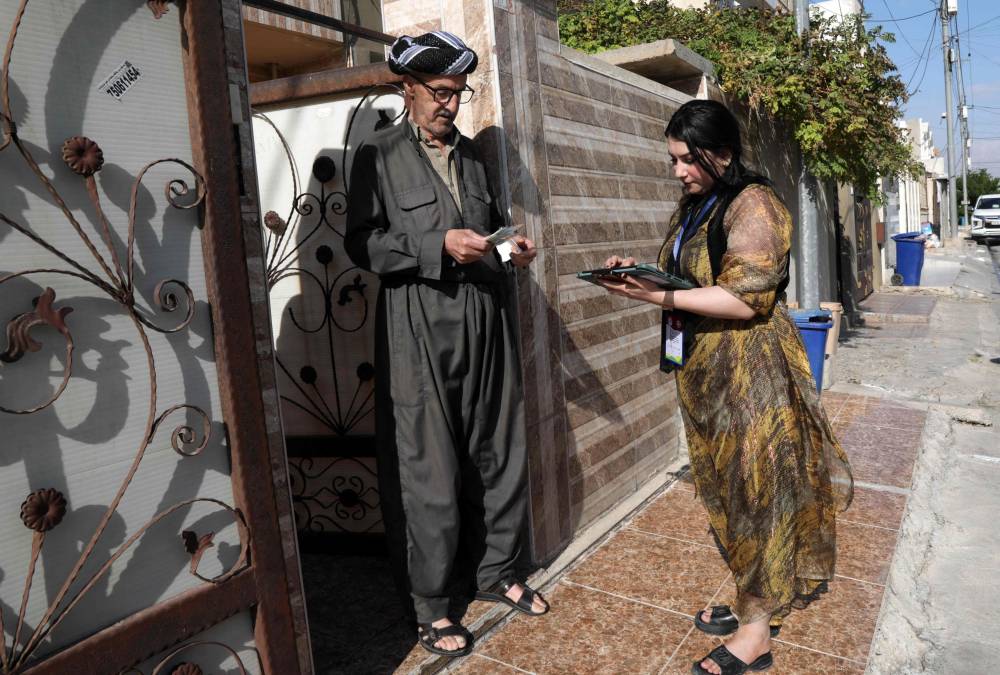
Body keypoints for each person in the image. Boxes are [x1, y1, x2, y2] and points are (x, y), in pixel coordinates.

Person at [595, 99, 853, 675]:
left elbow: (743, 297)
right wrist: (640, 275)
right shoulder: (699, 205)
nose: (678, 171)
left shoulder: (754, 203)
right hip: (707, 376)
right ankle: (750, 604)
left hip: (750, 375)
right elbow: (694, 279)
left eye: (688, 160)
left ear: (723, 155)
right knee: (730, 497)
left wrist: (653, 297)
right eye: (673, 160)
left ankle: (756, 635)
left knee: (758, 496)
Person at [345, 31, 548, 658]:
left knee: (500, 446)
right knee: (426, 464)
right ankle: (431, 606)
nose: (451, 105)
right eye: (440, 93)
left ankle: (498, 572)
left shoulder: (473, 161)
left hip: (485, 314)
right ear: (406, 89)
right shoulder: (374, 156)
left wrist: (506, 250)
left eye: (459, 94)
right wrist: (435, 246)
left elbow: (484, 234)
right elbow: (363, 245)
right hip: (417, 322)